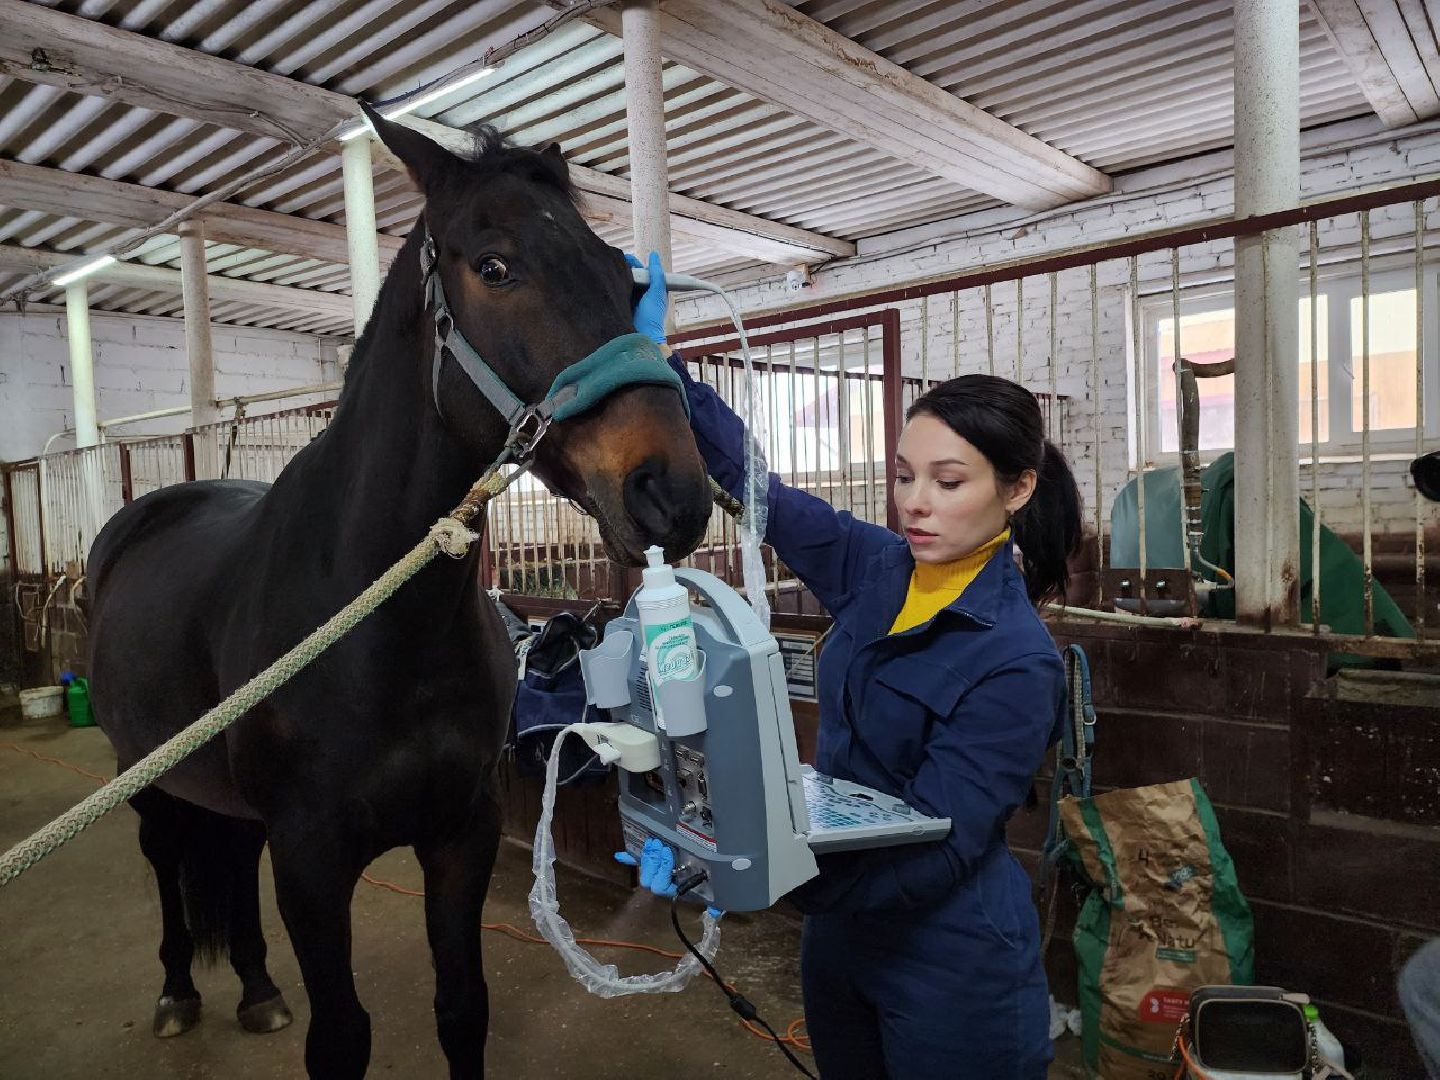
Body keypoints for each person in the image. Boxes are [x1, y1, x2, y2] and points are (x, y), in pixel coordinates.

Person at [626, 253, 1083, 1079]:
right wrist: (662, 363)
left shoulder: (1017, 662)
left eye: (949, 481)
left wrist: (780, 882)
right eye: (905, 476)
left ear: (1016, 491)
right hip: (840, 942)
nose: (914, 501)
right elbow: (759, 492)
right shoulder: (878, 568)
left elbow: (942, 850)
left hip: (949, 955)